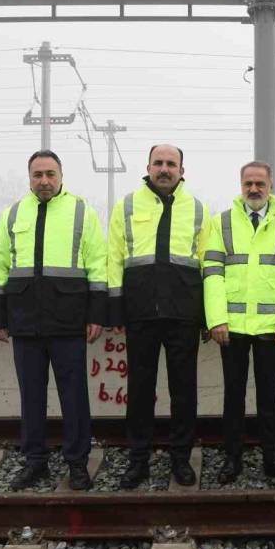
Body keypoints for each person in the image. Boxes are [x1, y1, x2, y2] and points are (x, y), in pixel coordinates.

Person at [0, 150, 107, 491]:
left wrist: (97, 313)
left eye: (50, 174)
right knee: (31, 397)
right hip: (24, 321)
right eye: (38, 174)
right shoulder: (12, 214)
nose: (44, 180)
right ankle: (35, 462)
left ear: (61, 175)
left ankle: (77, 463)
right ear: (29, 177)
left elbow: (98, 265)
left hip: (69, 321)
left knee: (74, 397)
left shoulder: (81, 211)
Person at [107, 144, 209, 489]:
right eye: (159, 163)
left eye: (171, 164)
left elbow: (207, 264)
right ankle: (138, 460)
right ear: (148, 166)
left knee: (184, 390)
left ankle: (181, 458)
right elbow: (114, 259)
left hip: (183, 314)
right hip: (140, 313)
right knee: (139, 389)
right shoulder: (127, 205)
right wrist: (116, 308)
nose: (164, 169)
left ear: (183, 170)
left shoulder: (197, 208)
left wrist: (207, 315)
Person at [203, 161, 275, 483]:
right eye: (248, 183)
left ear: (270, 185)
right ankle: (232, 459)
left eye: (260, 183)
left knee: (269, 398)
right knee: (233, 396)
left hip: (271, 328)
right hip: (231, 327)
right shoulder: (221, 222)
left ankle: (272, 459)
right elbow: (212, 273)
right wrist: (217, 319)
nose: (254, 189)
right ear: (240, 184)